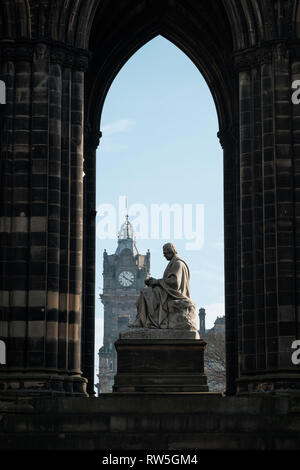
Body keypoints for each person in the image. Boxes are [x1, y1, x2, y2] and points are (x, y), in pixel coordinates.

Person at [134, 242, 191, 328]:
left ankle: (152, 322)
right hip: (168, 291)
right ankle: (141, 321)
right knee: (145, 292)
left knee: (147, 293)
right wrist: (154, 282)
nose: (164, 256)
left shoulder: (178, 263)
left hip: (174, 294)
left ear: (171, 251)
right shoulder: (173, 263)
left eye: (165, 253)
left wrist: (157, 282)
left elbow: (175, 282)